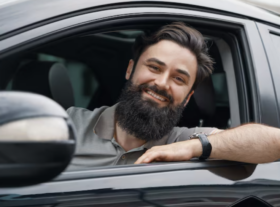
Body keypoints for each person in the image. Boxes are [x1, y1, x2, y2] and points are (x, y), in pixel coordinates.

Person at [67, 22, 280, 168]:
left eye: (179, 79)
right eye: (154, 68)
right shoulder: (70, 124)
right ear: (130, 69)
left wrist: (195, 147)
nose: (161, 83)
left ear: (188, 97)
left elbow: (274, 142)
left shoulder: (183, 140)